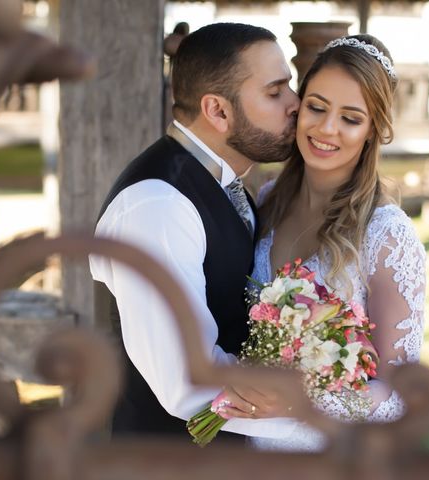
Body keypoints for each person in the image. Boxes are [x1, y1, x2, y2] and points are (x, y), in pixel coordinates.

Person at [89, 23, 300, 439]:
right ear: (217, 111)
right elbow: (187, 381)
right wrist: (316, 411)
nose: (296, 103)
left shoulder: (226, 184)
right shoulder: (158, 206)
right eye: (275, 92)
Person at [219, 34, 427, 451]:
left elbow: (402, 396)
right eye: (317, 107)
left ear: (373, 131)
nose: (327, 128)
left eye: (351, 118)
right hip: (251, 451)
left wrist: (302, 402)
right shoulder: (267, 199)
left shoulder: (386, 236)